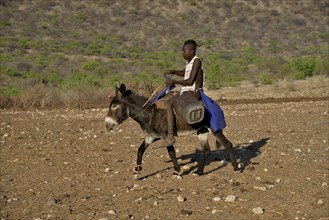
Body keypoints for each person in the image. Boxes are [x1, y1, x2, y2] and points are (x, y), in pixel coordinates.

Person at [159, 39, 204, 145]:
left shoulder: (197, 61)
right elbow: (186, 73)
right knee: (167, 97)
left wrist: (174, 81)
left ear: (191, 51)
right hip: (187, 91)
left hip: (193, 92)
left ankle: (170, 136)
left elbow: (190, 81)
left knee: (169, 103)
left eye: (184, 51)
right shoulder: (190, 62)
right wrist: (173, 71)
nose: (182, 53)